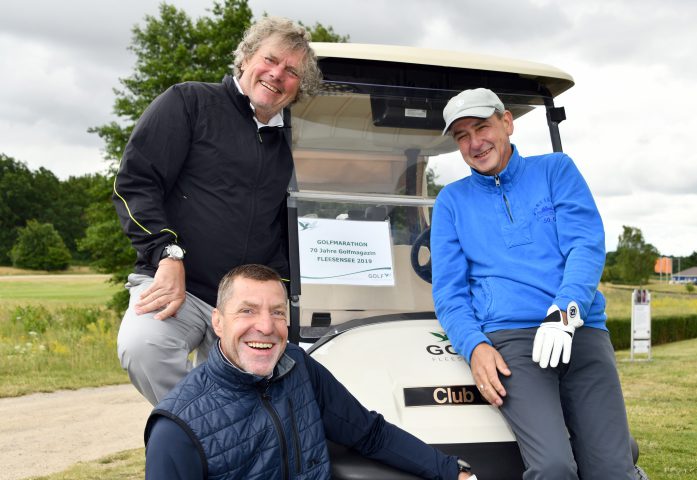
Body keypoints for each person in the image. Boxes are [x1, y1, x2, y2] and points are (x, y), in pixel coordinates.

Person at [112, 17, 322, 405]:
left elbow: (287, 229)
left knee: (255, 393)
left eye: (291, 71)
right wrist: (167, 254)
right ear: (245, 58)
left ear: (298, 87)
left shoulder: (291, 145)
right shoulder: (188, 102)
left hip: (245, 302)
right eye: (270, 59)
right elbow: (135, 183)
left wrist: (286, 295)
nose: (277, 74)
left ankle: (214, 441)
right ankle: (196, 431)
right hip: (179, 284)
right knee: (143, 347)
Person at [431, 88, 635, 479]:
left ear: (506, 122)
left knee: (613, 469)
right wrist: (474, 346)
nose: (474, 143)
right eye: (461, 136)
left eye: (481, 127)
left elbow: (585, 245)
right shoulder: (452, 202)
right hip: (513, 342)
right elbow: (449, 292)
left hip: (579, 329)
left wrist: (566, 311)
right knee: (554, 466)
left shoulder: (556, 170)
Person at [144, 264, 476, 480]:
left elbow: (368, 433)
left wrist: (452, 472)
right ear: (217, 321)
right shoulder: (176, 430)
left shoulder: (297, 365)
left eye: (277, 312)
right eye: (247, 311)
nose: (265, 326)